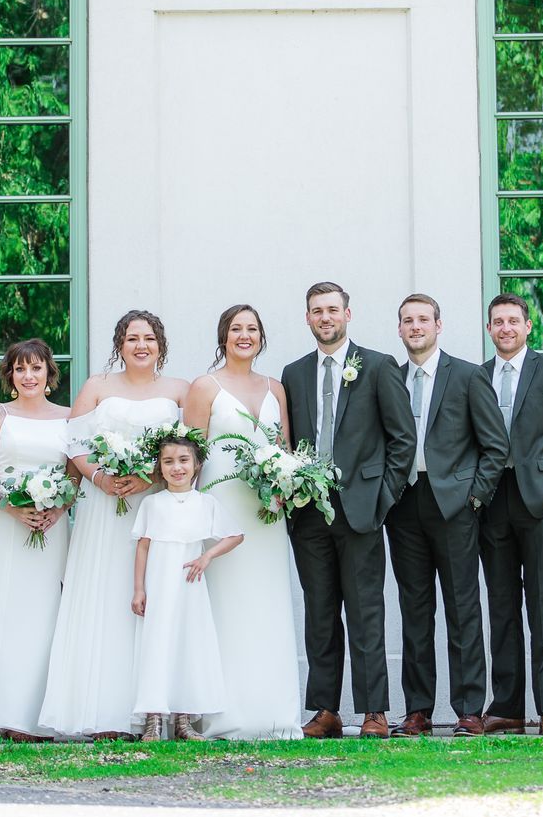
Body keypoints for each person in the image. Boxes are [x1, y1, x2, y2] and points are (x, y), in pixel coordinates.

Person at [40, 311, 188, 739]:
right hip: (104, 507)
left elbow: (191, 448)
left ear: (160, 344)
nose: (141, 345)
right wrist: (102, 478)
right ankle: (103, 710)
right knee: (106, 595)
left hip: (156, 503)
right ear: (119, 345)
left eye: (149, 338)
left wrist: (149, 476)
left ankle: (157, 710)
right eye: (131, 338)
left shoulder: (178, 390)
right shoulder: (98, 387)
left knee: (155, 599)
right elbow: (74, 443)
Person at [283, 282, 413, 740]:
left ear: (348, 314)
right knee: (319, 613)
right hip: (308, 512)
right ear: (307, 318)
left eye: (332, 310)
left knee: (365, 613)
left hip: (361, 511)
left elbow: (402, 440)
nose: (325, 318)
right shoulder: (294, 373)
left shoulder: (378, 366)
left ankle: (374, 709)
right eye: (317, 310)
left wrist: (382, 499)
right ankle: (325, 709)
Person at [384, 293, 508, 737]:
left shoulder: (469, 376)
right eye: (407, 321)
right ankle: (417, 709)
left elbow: (495, 445)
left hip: (455, 507)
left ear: (439, 325)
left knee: (463, 610)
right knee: (415, 611)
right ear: (399, 329)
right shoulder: (390, 378)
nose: (415, 327)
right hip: (403, 507)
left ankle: (469, 709)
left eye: (423, 319)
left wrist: (474, 498)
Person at [185, 305, 303, 740]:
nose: (244, 335)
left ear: (262, 336)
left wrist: (284, 486)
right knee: (225, 604)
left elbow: (285, 449)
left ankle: (273, 711)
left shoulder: (276, 388)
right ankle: (223, 712)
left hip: (266, 514)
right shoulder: (205, 386)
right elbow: (190, 459)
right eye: (236, 328)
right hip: (221, 508)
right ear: (223, 335)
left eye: (252, 328)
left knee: (266, 603)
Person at [478, 293, 543, 737]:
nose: (505, 328)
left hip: (540, 501)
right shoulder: (478, 376)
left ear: (527, 326)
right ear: (489, 329)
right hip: (491, 502)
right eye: (498, 322)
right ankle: (506, 707)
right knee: (501, 607)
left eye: (513, 321)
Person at [0, 339, 75, 742]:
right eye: (20, 369)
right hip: (5, 523)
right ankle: (8, 715)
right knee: (6, 610)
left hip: (52, 525)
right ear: (10, 376)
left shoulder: (69, 416)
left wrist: (56, 509)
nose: (28, 376)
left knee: (46, 615)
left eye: (36, 368)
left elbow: (73, 473)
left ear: (49, 374)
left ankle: (40, 716)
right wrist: (13, 506)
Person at [130, 431, 244, 741]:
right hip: (159, 584)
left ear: (196, 466)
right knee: (157, 645)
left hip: (189, 588)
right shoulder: (152, 504)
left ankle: (183, 721)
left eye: (183, 461)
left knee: (188, 645)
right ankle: (153, 720)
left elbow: (235, 535)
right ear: (160, 467)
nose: (176, 468)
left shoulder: (205, 503)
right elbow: (142, 547)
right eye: (168, 461)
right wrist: (139, 589)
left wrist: (207, 556)